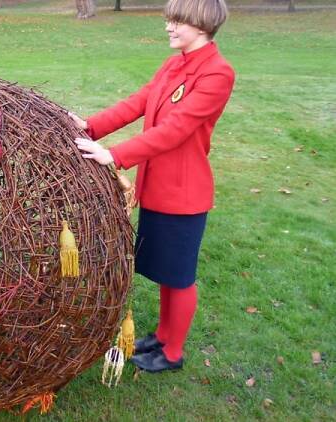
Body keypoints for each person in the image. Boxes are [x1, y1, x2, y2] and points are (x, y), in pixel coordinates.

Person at [69, 0, 234, 372]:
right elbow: (139, 102)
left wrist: (114, 154)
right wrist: (90, 127)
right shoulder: (175, 64)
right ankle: (161, 335)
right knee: (163, 271)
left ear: (202, 25)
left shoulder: (217, 73)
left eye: (176, 21)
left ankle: (173, 353)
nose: (169, 27)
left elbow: (175, 131)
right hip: (157, 189)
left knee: (179, 276)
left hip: (184, 195)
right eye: (169, 20)